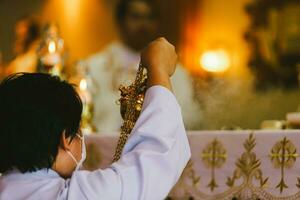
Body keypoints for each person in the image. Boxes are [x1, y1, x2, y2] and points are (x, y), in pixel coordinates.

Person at [0, 38, 191, 200]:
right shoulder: (75, 195)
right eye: (77, 132)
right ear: (66, 139)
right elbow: (156, 158)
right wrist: (159, 69)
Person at [86, 0, 201, 133]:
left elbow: (188, 117)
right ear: (121, 22)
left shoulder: (176, 72)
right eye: (136, 17)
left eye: (149, 18)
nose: (143, 25)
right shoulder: (94, 67)